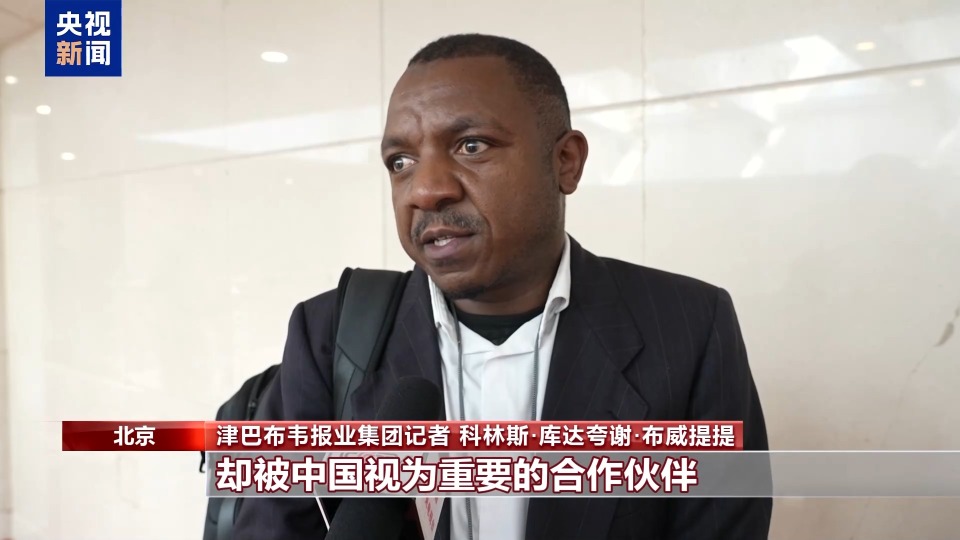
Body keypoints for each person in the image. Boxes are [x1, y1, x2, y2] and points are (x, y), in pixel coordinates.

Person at [233, 33, 771, 540]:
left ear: (565, 162)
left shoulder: (689, 326)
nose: (426, 190)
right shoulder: (328, 336)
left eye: (471, 146)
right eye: (401, 162)